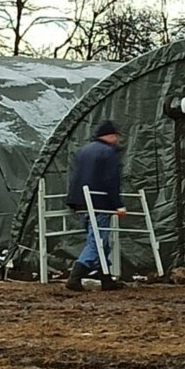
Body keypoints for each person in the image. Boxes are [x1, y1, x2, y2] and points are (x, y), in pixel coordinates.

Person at [65, 120, 127, 291]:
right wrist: (118, 205)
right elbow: (110, 181)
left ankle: (105, 278)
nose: (117, 140)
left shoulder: (85, 151)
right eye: (116, 136)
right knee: (98, 240)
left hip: (81, 201)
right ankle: (75, 276)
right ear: (110, 136)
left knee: (100, 239)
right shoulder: (108, 153)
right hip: (99, 202)